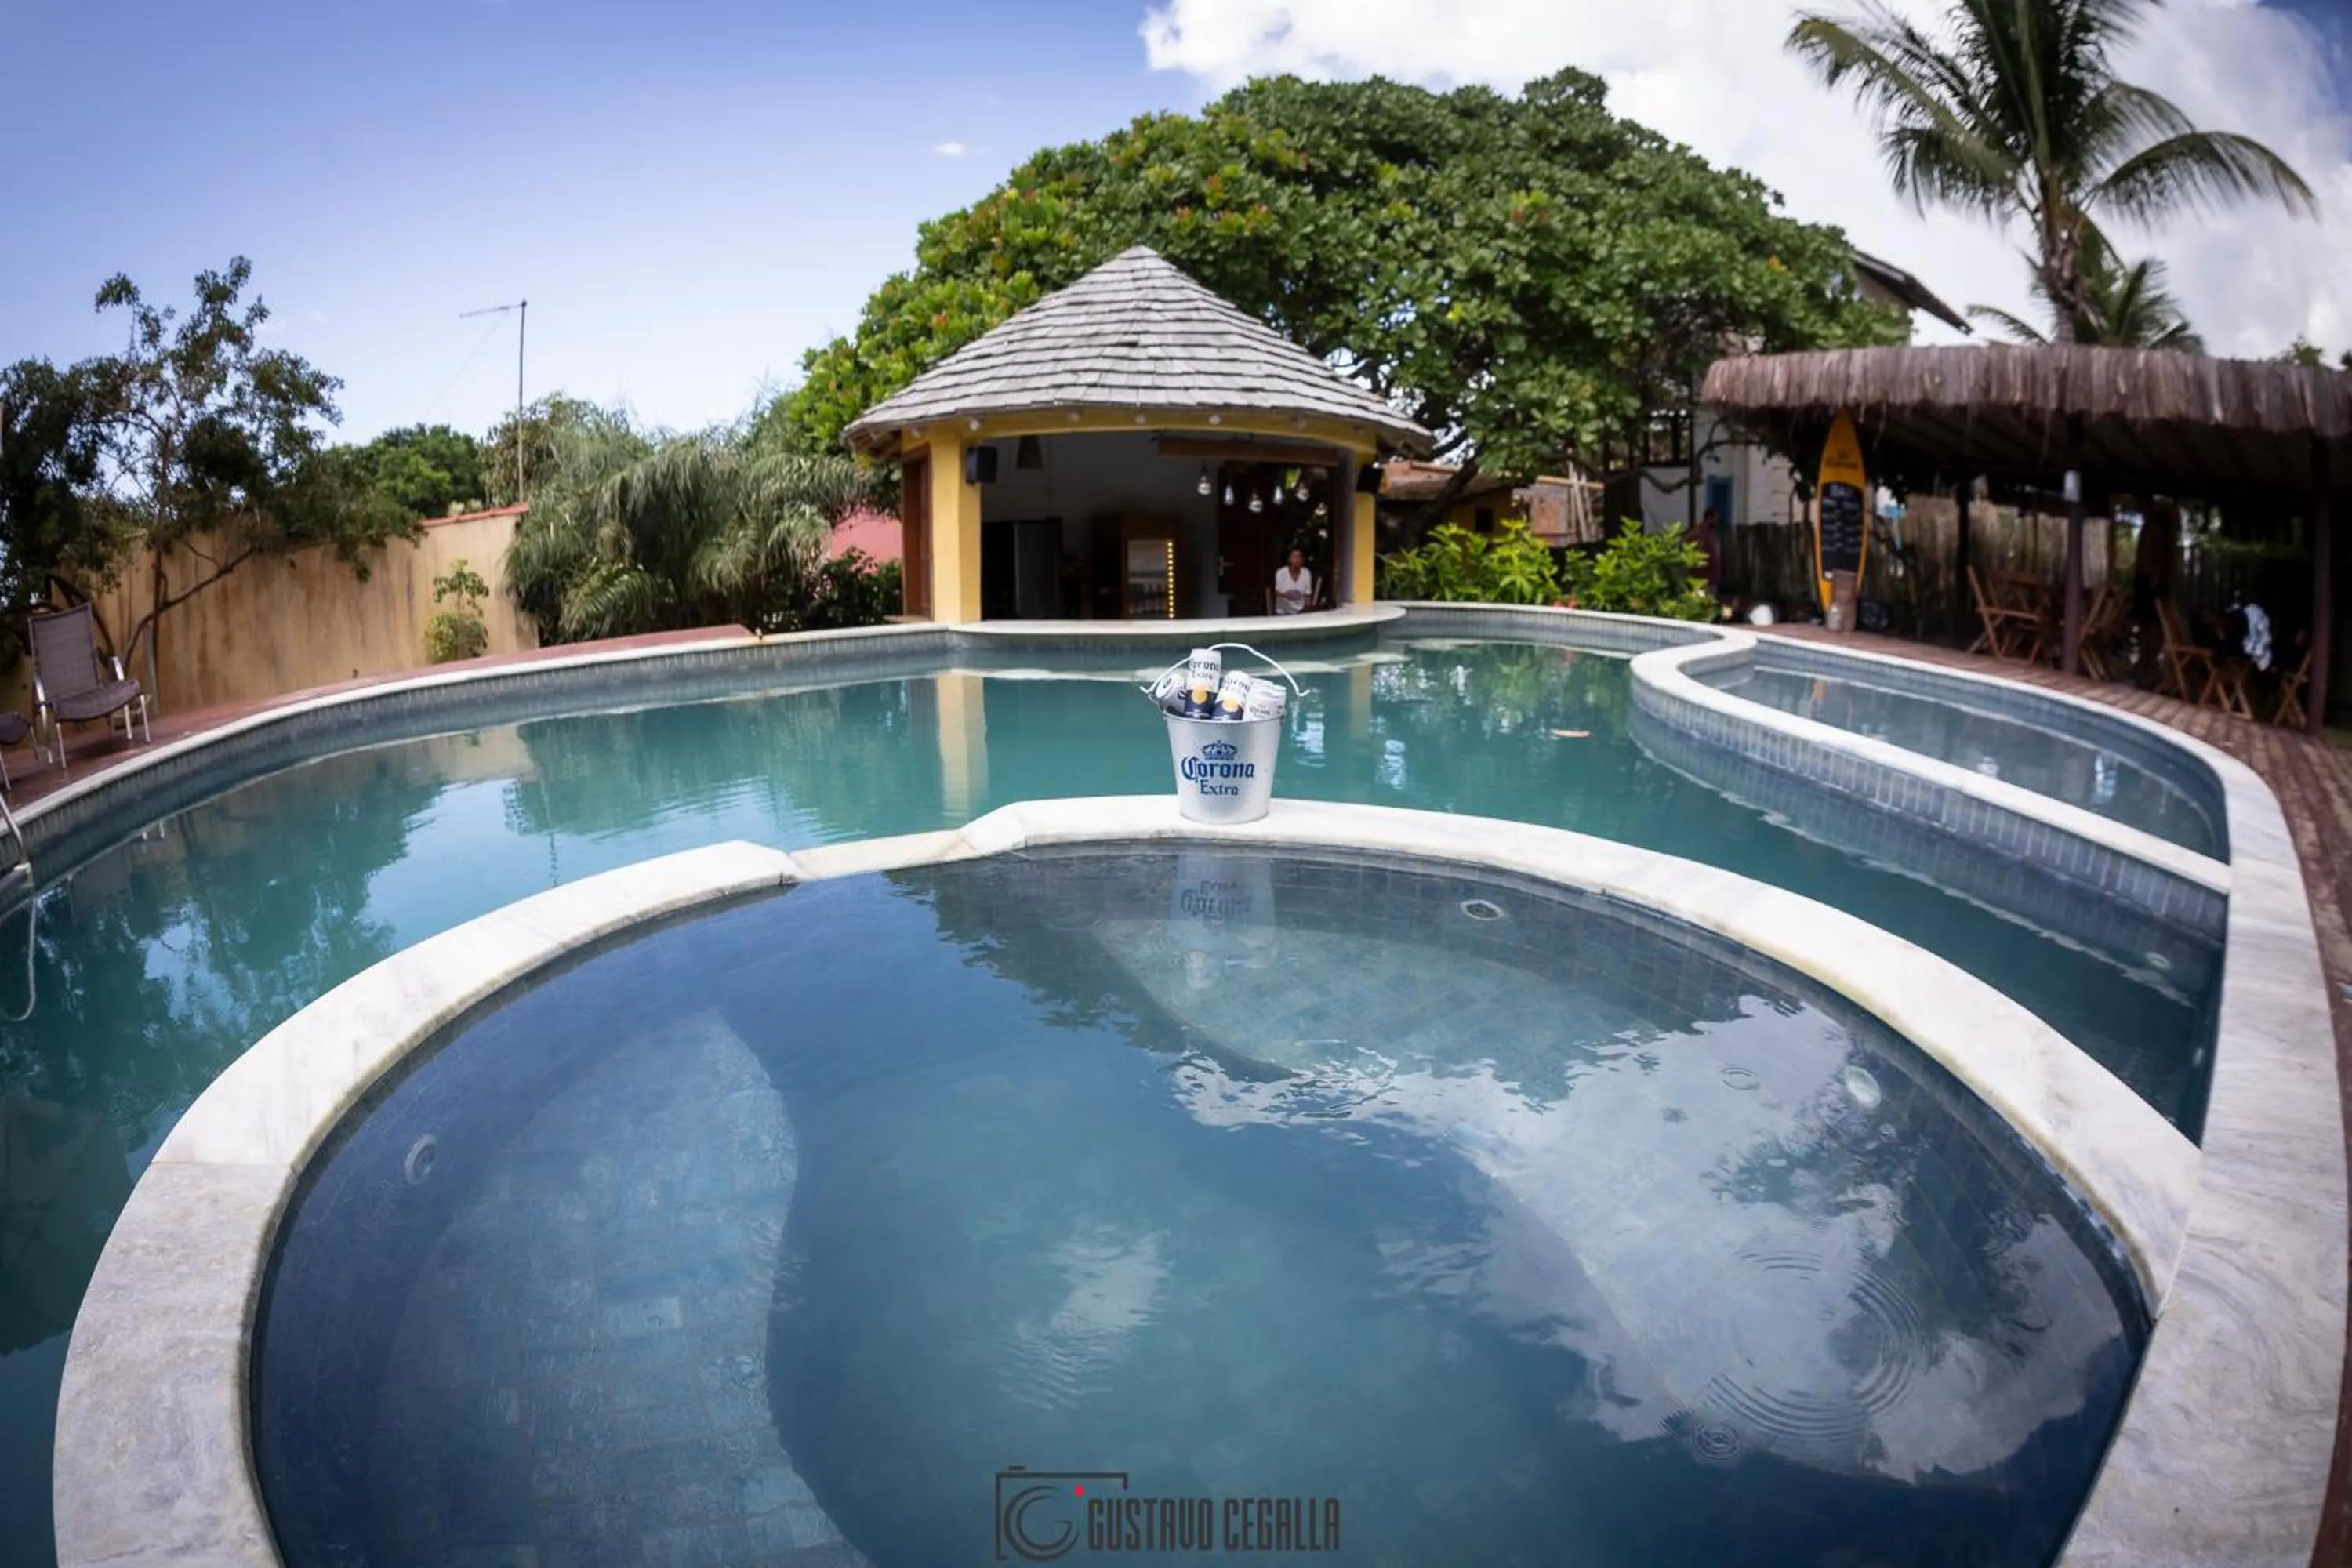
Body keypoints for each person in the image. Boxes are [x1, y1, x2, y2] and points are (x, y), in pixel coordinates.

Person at [1272, 548, 1316, 615]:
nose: (1297, 560)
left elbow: (1307, 595)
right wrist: (1287, 595)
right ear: (1289, 559)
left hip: (1300, 611)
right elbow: (1276, 593)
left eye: (1299, 557)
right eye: (1294, 557)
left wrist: (1308, 610)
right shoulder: (1281, 573)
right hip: (1283, 611)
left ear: (1302, 560)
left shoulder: (1306, 573)